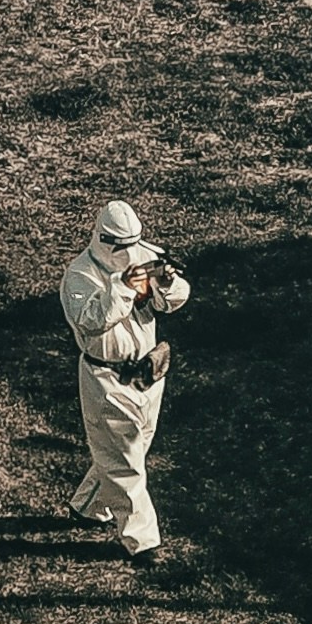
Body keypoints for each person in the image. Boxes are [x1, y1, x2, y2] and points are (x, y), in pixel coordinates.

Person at [58, 200, 189, 560]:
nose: (131, 253)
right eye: (123, 245)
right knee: (125, 463)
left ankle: (88, 506)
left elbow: (175, 300)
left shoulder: (142, 255)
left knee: (132, 448)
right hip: (107, 378)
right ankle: (142, 541)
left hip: (148, 374)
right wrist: (125, 287)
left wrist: (166, 282)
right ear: (104, 240)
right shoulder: (79, 275)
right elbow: (91, 320)